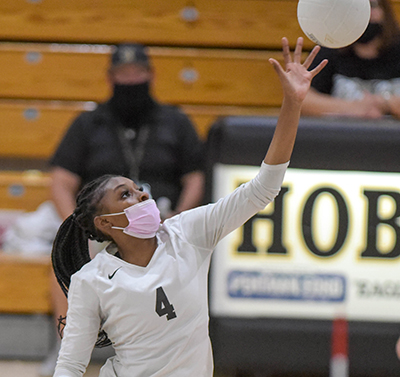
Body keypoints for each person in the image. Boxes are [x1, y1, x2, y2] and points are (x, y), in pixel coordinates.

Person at [50, 37, 327, 377]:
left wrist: (292, 104)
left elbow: (263, 188)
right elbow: (71, 365)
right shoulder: (92, 280)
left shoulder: (188, 233)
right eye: (126, 195)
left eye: (138, 191)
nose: (141, 197)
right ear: (106, 223)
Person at [41, 43, 205, 377]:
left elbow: (196, 177)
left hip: (162, 224)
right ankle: (67, 349)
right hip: (103, 227)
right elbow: (59, 180)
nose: (131, 79)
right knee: (66, 273)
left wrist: (175, 218)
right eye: (123, 74)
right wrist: (78, 226)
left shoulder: (176, 121)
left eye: (137, 73)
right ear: (110, 78)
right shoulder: (88, 124)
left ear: (151, 74)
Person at [301, 0, 400, 119]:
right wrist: (354, 108)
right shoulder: (331, 48)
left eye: (372, 6)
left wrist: (385, 104)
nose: (366, 15)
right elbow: (303, 100)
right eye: (356, 9)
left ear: (385, 11)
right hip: (343, 135)